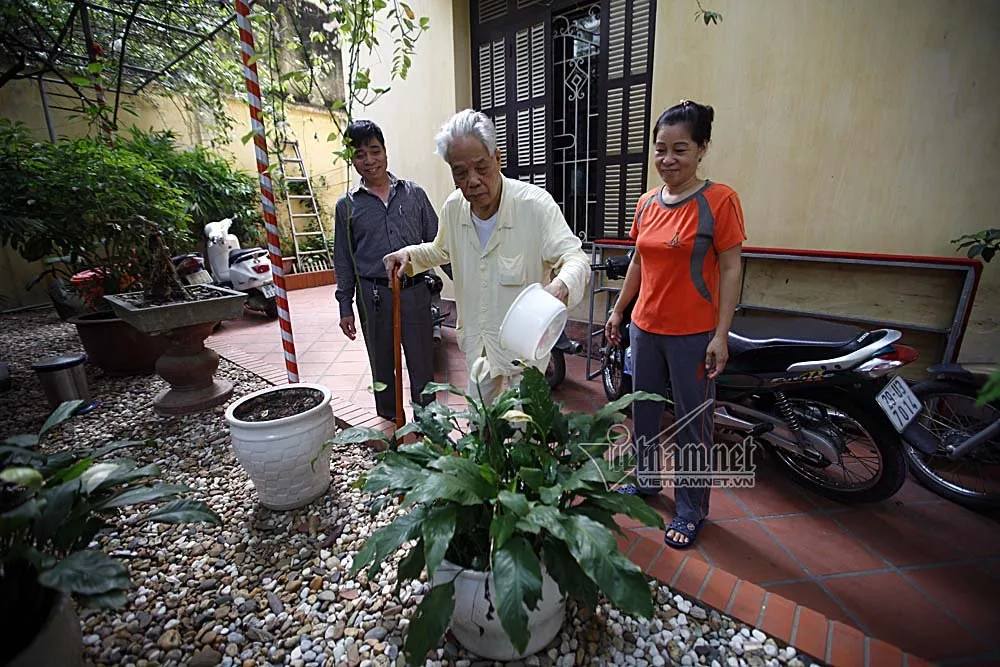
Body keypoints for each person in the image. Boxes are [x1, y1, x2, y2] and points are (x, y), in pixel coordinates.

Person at [605, 100, 745, 550]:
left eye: (680, 150)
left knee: (692, 423)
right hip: (645, 330)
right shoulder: (647, 203)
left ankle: (690, 508)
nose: (668, 160)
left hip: (693, 335)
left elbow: (731, 268)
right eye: (660, 149)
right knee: (643, 413)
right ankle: (647, 480)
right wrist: (619, 310)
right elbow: (638, 262)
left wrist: (721, 335)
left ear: (702, 148)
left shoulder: (720, 200)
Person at [382, 109, 590, 403]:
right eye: (460, 172)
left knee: (522, 425)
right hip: (479, 343)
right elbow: (442, 249)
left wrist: (560, 287)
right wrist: (409, 255)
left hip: (523, 347)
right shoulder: (454, 207)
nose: (473, 180)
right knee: (481, 421)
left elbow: (575, 257)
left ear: (497, 158)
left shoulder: (534, 205)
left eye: (481, 167)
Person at [332, 119, 449, 422]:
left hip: (415, 291)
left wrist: (465, 280)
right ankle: (389, 421)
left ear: (385, 151)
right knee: (382, 365)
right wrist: (345, 306)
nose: (369, 160)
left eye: (374, 150)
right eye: (360, 155)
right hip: (373, 297)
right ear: (352, 160)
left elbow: (439, 243)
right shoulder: (347, 206)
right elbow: (343, 259)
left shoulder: (414, 195)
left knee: (422, 362)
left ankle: (428, 421)